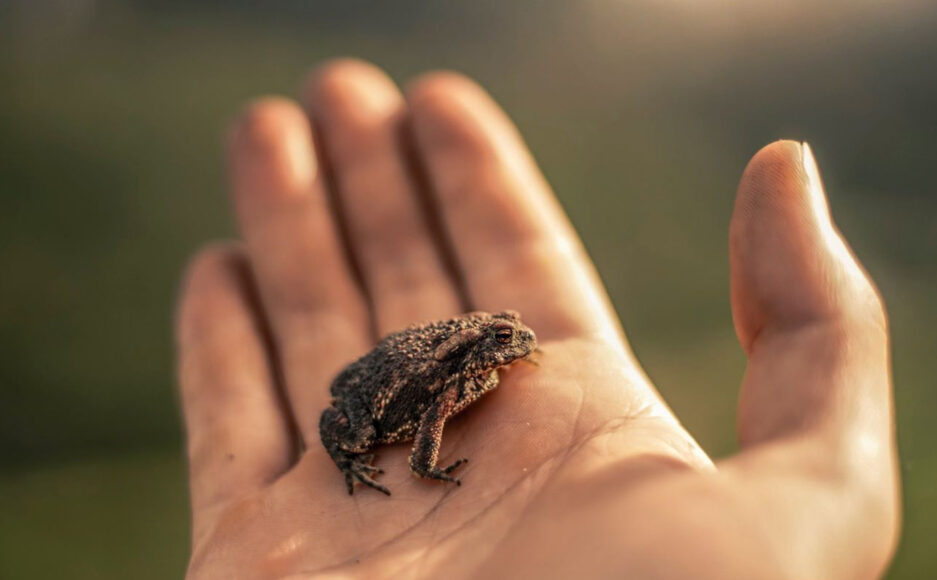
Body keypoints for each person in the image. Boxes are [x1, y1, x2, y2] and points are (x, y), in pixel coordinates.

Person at [174, 59, 900, 579]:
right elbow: (428, 424)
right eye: (501, 343)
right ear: (476, 354)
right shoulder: (453, 384)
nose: (516, 348)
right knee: (352, 426)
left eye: (509, 337)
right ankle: (353, 455)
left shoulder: (484, 361)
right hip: (376, 391)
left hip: (390, 355)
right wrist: (421, 471)